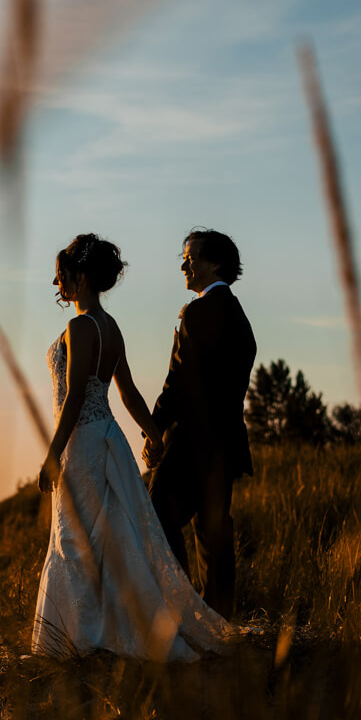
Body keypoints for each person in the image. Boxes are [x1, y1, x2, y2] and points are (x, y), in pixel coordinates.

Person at [31, 232, 235, 662]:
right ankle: (105, 629)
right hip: (109, 438)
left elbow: (72, 398)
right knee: (108, 538)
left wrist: (52, 455)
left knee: (76, 540)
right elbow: (130, 395)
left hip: (83, 445)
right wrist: (153, 434)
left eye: (63, 276)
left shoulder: (80, 326)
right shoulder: (111, 327)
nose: (59, 286)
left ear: (81, 276)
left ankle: (81, 638)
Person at [145, 230, 256, 620]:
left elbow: (178, 380)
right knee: (213, 534)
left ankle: (184, 609)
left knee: (156, 516)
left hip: (191, 443)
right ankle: (218, 618)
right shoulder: (240, 316)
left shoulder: (198, 312)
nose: (183, 265)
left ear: (214, 263)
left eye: (190, 258)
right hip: (224, 445)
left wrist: (153, 430)